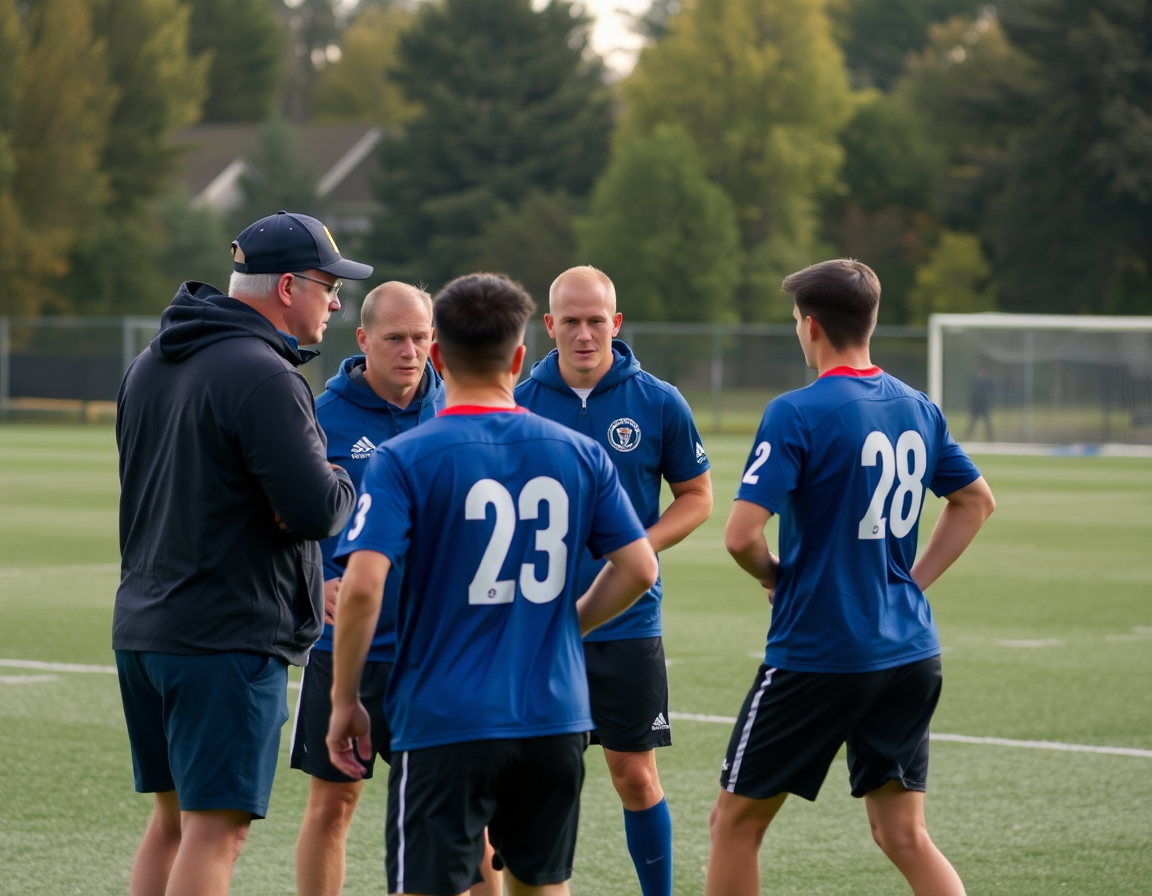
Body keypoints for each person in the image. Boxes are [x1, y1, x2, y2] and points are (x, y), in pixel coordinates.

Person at [326, 272, 660, 896]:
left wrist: (346, 701)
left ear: (437, 356)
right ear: (519, 357)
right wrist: (568, 625)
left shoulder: (406, 458)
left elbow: (364, 587)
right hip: (554, 714)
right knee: (540, 884)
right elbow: (641, 568)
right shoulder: (578, 452)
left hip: (444, 717)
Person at [708, 259, 996, 896]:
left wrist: (777, 577)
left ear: (810, 327)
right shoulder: (918, 406)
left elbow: (740, 536)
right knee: (903, 835)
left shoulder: (796, 411)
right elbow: (976, 501)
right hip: (909, 649)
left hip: (821, 649)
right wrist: (909, 584)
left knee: (734, 825)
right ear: (869, 322)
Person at [113, 210, 368, 896]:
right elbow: (317, 509)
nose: (337, 301)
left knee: (171, 824)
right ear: (287, 287)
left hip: (145, 626)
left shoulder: (150, 364)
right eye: (327, 285)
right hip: (223, 634)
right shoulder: (264, 374)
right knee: (215, 831)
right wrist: (347, 475)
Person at [515, 266, 713, 896]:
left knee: (634, 775)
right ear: (548, 326)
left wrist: (635, 550)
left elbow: (697, 496)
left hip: (628, 620)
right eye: (569, 322)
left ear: (616, 324)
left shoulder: (657, 400)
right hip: (538, 626)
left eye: (595, 320)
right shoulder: (517, 400)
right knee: (537, 779)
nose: (582, 334)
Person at [291, 281, 463, 895]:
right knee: (333, 807)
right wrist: (317, 577)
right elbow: (276, 515)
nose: (410, 351)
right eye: (395, 338)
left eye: (422, 338)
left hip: (438, 654)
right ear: (363, 340)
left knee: (470, 821)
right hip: (347, 653)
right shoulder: (315, 415)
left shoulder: (458, 410)